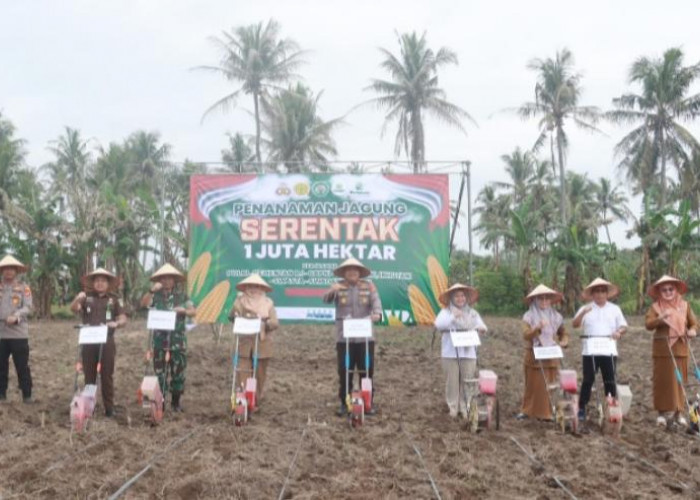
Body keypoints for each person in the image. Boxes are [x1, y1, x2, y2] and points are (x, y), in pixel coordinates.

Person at [323, 257, 382, 417]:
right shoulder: (338, 286)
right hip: (344, 338)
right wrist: (332, 291)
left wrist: (377, 313)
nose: (352, 273)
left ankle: (368, 402)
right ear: (344, 273)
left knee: (367, 371)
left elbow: (376, 303)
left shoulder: (369, 286)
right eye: (348, 270)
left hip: (365, 337)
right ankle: (345, 402)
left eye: (355, 270)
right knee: (344, 371)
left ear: (359, 273)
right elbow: (325, 299)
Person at [70, 268, 127, 417]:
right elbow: (74, 309)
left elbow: (123, 318)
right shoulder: (86, 297)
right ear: (93, 283)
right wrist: (77, 298)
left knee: (107, 374)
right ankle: (90, 406)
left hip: (106, 340)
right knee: (89, 375)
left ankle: (109, 407)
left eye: (103, 281)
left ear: (108, 283)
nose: (100, 283)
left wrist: (117, 323)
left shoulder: (114, 299)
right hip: (88, 341)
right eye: (97, 280)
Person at [140, 263, 196, 412]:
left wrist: (183, 310)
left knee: (178, 373)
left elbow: (193, 311)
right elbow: (143, 304)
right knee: (160, 373)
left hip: (178, 341)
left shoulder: (181, 296)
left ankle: (176, 402)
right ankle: (160, 401)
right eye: (163, 278)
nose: (166, 281)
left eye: (169, 278)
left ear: (174, 280)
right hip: (159, 341)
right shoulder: (155, 296)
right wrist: (151, 290)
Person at [645, 275, 697, 427]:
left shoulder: (685, 306)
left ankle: (678, 413)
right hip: (662, 350)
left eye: (670, 289)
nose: (668, 292)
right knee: (662, 382)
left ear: (676, 290)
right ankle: (661, 413)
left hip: (681, 348)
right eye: (664, 290)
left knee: (679, 381)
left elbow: (694, 324)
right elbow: (648, 324)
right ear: (659, 292)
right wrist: (660, 318)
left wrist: (693, 331)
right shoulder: (655, 307)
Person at [573, 277, 627, 422]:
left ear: (607, 293)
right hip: (590, 350)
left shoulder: (615, 309)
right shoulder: (586, 308)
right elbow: (575, 324)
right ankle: (582, 408)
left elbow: (623, 326)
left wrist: (619, 332)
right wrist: (583, 313)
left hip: (608, 349)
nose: (600, 294)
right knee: (588, 379)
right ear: (592, 294)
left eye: (603, 291)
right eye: (596, 292)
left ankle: (610, 408)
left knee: (609, 379)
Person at [433, 283, 487, 418]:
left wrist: (481, 329)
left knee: (468, 380)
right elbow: (439, 324)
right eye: (456, 296)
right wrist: (454, 316)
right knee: (452, 381)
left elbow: (482, 326)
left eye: (462, 295)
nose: (460, 298)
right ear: (451, 298)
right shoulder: (446, 312)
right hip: (450, 353)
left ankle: (465, 407)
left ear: (466, 298)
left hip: (469, 353)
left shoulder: (473, 313)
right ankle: (453, 407)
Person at [518, 284, 569, 420]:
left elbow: (563, 333)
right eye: (541, 299)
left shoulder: (556, 317)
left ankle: (548, 412)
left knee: (550, 385)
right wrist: (537, 327)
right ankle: (527, 411)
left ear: (551, 300)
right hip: (534, 355)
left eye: (547, 299)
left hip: (550, 355)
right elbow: (526, 335)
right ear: (535, 300)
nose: (544, 302)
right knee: (533, 385)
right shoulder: (528, 316)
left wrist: (564, 341)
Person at [227, 274, 278, 407]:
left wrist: (264, 324)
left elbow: (275, 323)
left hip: (261, 345)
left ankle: (255, 401)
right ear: (246, 288)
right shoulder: (239, 301)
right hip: (243, 344)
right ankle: (241, 402)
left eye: (257, 286)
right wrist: (237, 314)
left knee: (259, 375)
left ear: (261, 288)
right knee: (242, 373)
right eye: (250, 286)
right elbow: (231, 316)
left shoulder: (268, 303)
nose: (253, 289)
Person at [0, 255, 34, 403]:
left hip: (19, 333)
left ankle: (27, 395)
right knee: (1, 366)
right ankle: (1, 395)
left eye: (11, 269)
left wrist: (16, 315)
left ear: (16, 271)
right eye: (5, 269)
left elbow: (28, 307)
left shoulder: (24, 288)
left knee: (22, 365)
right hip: (1, 333)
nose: (8, 271)